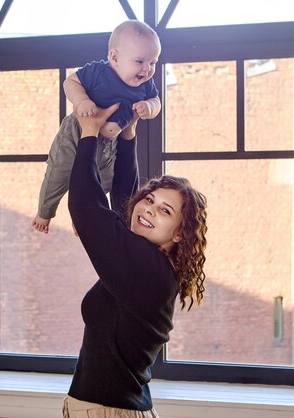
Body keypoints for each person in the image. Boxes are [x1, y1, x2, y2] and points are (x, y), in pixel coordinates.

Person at [63, 103, 208, 418]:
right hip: (107, 409)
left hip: (106, 412)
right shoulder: (150, 264)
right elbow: (126, 205)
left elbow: (87, 209)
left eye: (165, 211)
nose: (150, 210)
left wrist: (88, 134)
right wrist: (128, 138)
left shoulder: (146, 268)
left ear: (180, 234)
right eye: (151, 199)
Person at [32, 19, 162, 233]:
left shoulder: (146, 84)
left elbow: (157, 102)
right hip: (77, 133)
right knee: (59, 173)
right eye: (140, 61)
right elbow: (70, 82)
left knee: (101, 184)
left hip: (109, 145)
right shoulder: (98, 72)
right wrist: (82, 101)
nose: (147, 69)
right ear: (114, 57)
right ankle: (45, 212)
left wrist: (149, 106)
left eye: (153, 62)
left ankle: (83, 218)